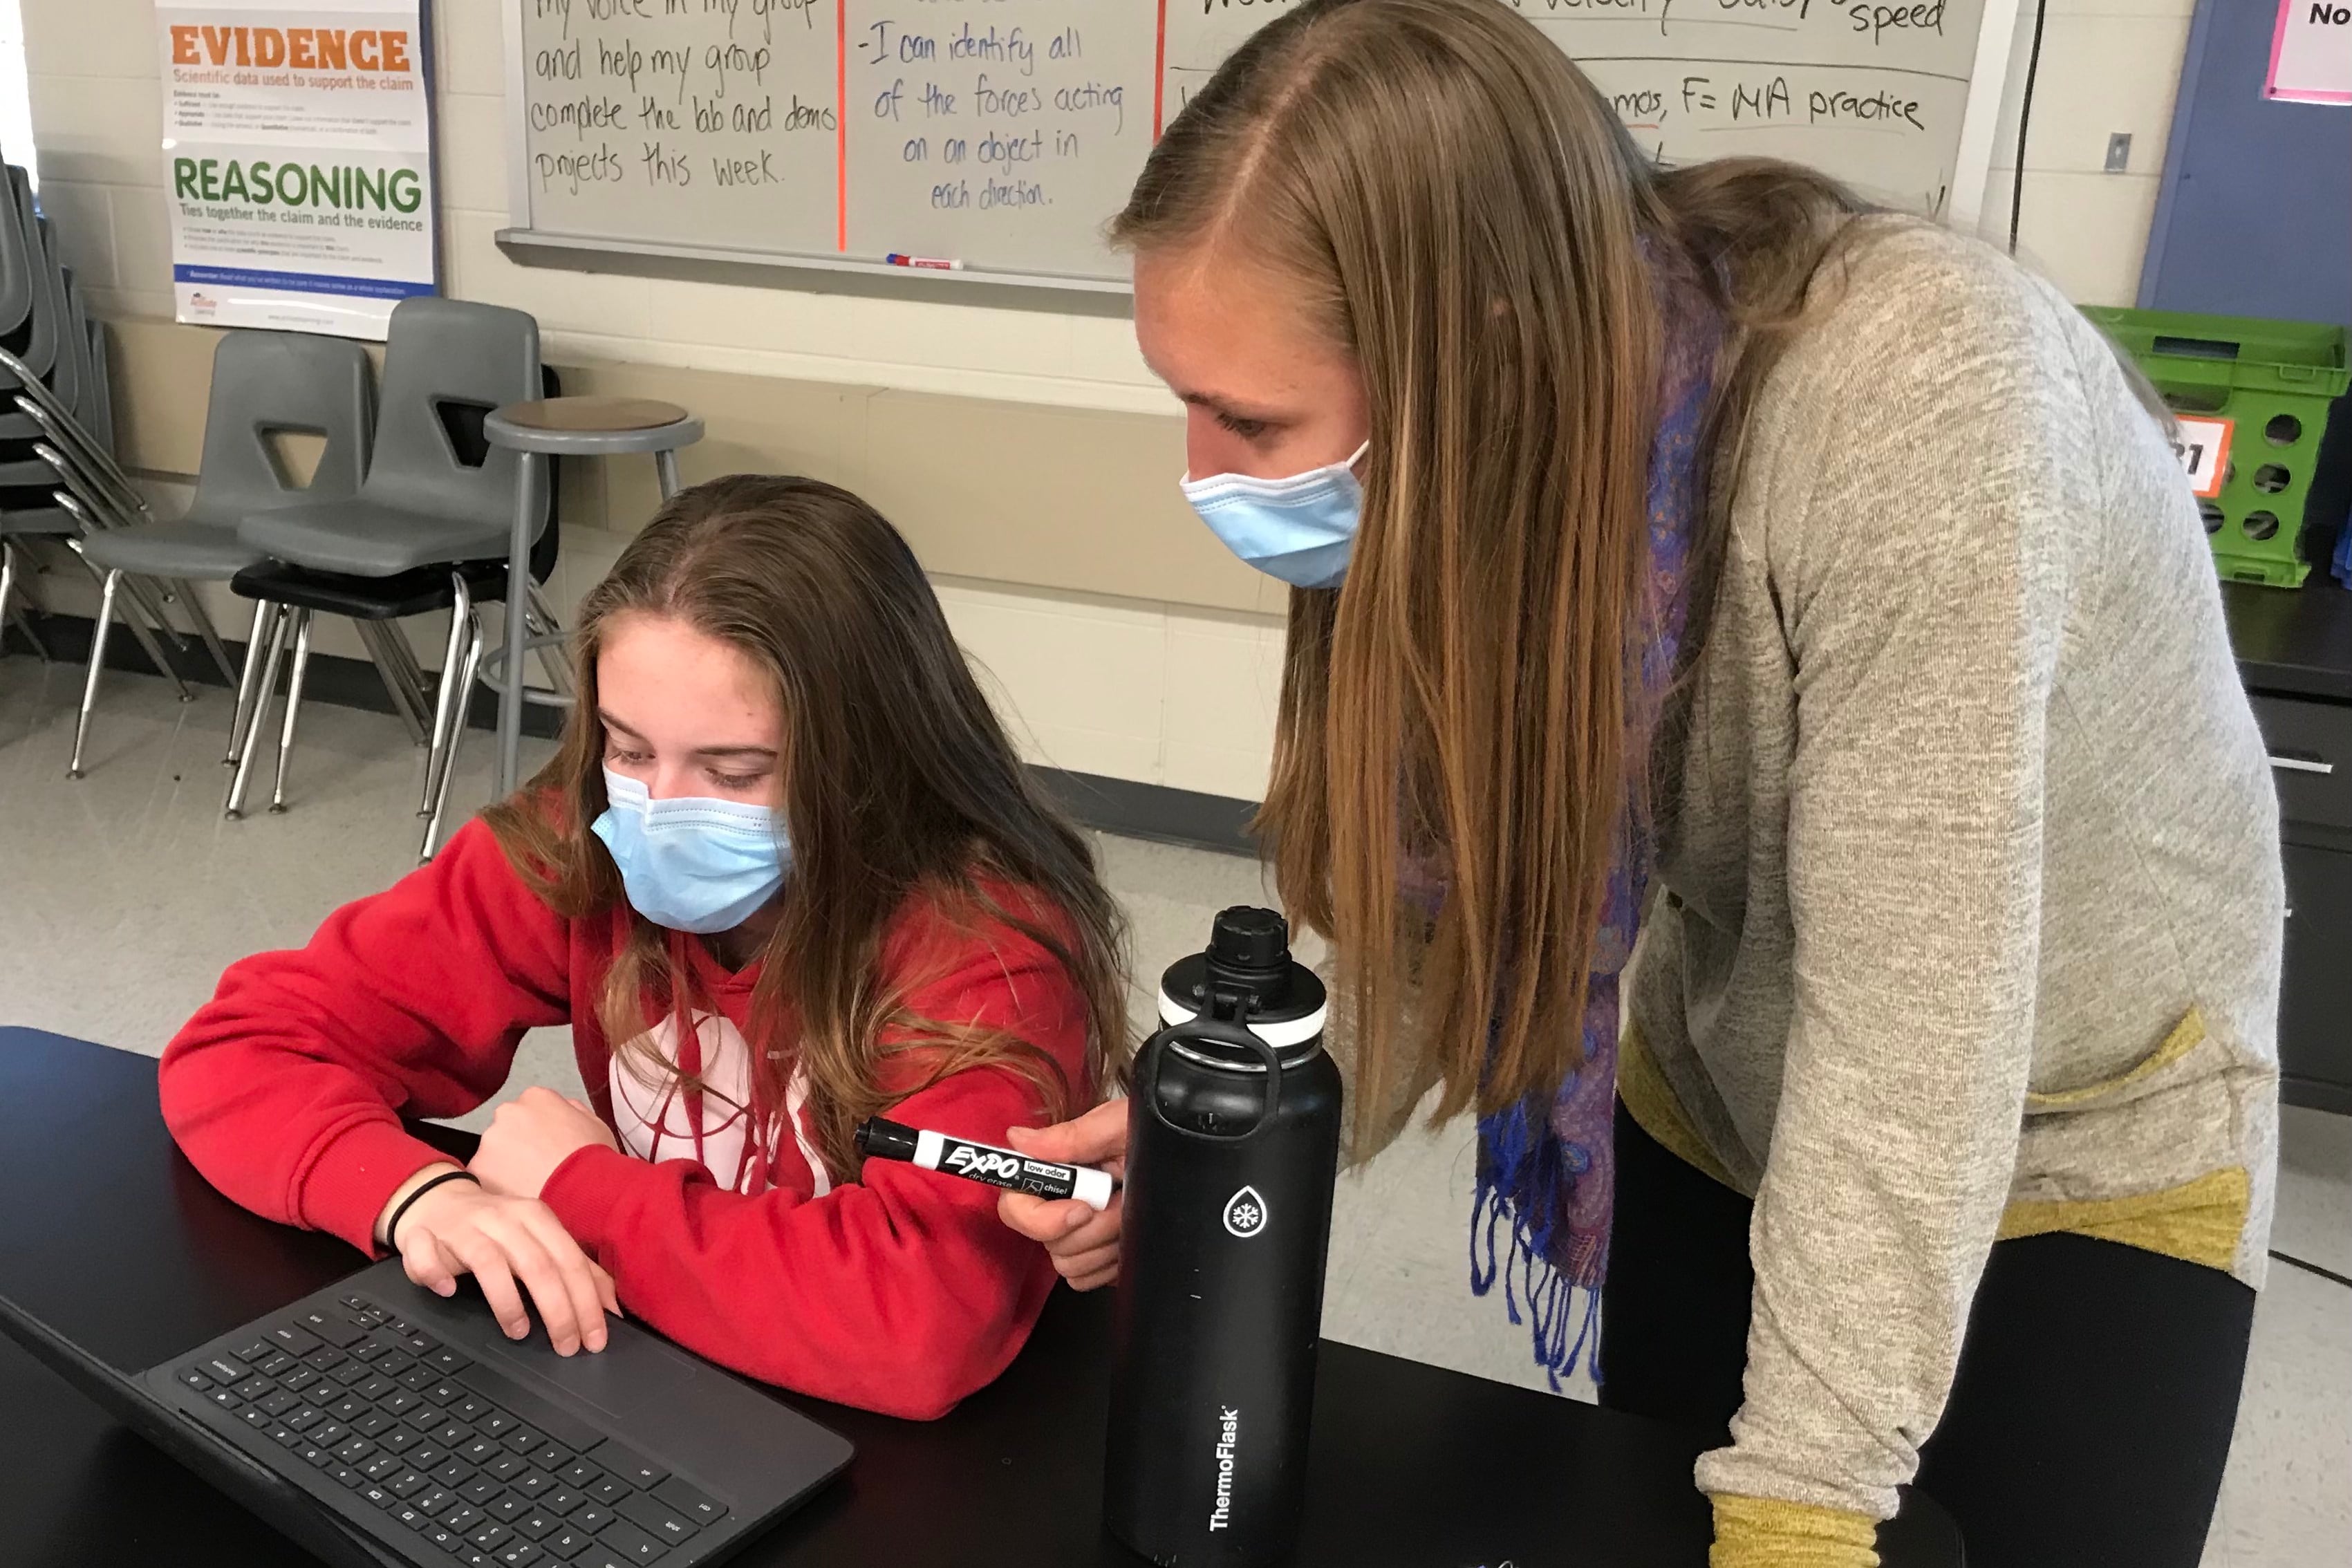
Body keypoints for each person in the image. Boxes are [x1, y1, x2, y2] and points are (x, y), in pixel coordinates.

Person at [999, 2, 2281, 1564]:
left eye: (1251, 423)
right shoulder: (1498, 434)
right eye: (1185, 404)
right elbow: (1458, 864)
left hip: (2074, 1115)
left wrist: (1805, 1509)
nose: (1203, 473)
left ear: (1485, 343)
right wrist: (1241, 1129)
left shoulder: (1924, 399)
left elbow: (1912, 1036)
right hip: (1725, 1059)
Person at [161, 474, 1130, 1419]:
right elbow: (242, 1049)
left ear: (866, 765)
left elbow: (918, 1324)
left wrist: (579, 1190)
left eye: (734, 769)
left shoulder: (983, 950)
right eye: (628, 750)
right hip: (665, 1381)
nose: (659, 811)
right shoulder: (575, 843)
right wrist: (417, 1197)